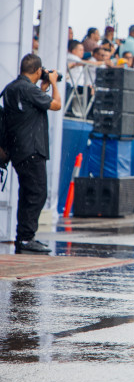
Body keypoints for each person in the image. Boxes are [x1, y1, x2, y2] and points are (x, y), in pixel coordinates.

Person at [2, 54, 62, 253]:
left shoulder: (11, 88)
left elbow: (29, 109)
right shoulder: (28, 89)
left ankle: (24, 238)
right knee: (37, 193)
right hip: (32, 150)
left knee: (27, 193)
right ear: (38, 71)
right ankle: (26, 238)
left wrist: (42, 88)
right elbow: (56, 105)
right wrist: (54, 83)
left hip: (17, 150)